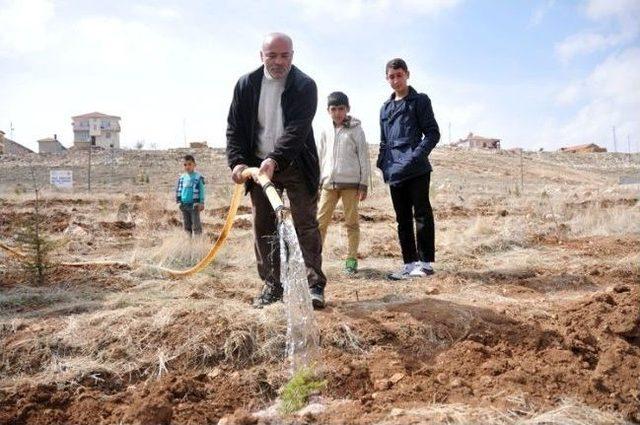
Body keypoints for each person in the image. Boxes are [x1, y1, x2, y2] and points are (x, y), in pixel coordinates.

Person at [226, 32, 327, 309]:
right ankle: (272, 285)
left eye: (284, 55)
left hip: (295, 163)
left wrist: (275, 159)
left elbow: (297, 131)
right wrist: (237, 162)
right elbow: (234, 128)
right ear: (261, 56)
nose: (278, 61)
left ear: (292, 56)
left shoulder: (305, 86)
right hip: (259, 168)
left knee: (306, 224)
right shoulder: (246, 85)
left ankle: (314, 284)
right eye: (272, 55)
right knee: (263, 226)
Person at [377, 58, 440, 280]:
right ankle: (409, 263)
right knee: (402, 218)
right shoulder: (385, 108)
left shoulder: (420, 101)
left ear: (407, 75)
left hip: (417, 169)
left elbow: (433, 133)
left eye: (399, 75)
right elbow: (384, 141)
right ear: (387, 78)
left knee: (421, 214)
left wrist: (416, 156)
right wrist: (382, 165)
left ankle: (425, 264)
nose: (396, 80)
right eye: (391, 77)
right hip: (394, 170)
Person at [317, 91, 370, 275]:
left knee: (351, 223)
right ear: (328, 111)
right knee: (320, 223)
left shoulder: (357, 130)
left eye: (341, 109)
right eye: (334, 109)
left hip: (351, 185)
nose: (338, 113)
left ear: (347, 109)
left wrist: (363, 184)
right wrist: (318, 181)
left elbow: (364, 157)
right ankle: (314, 260)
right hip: (328, 184)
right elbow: (321, 157)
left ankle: (351, 260)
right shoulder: (325, 130)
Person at [175, 154, 205, 236]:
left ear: (194, 165)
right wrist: (180, 201)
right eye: (185, 165)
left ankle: (198, 242)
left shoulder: (198, 177)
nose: (187, 167)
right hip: (184, 205)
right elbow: (180, 190)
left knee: (196, 224)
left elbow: (202, 190)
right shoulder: (182, 177)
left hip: (194, 205)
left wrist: (201, 202)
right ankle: (188, 242)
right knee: (186, 225)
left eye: (189, 164)